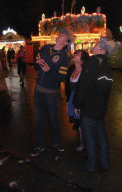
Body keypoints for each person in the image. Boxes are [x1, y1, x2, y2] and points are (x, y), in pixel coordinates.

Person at [73, 37, 122, 172]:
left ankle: (91, 164)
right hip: (101, 109)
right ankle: (105, 163)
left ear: (100, 48)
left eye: (95, 45)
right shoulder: (106, 64)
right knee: (101, 136)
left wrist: (76, 104)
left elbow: (83, 85)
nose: (93, 46)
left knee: (89, 138)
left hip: (89, 108)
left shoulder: (92, 62)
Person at [31, 28, 74, 156]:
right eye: (60, 33)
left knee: (53, 119)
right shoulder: (45, 48)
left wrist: (49, 69)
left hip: (51, 93)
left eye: (63, 35)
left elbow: (62, 78)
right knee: (39, 120)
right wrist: (37, 63)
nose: (59, 35)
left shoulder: (64, 57)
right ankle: (40, 145)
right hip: (38, 90)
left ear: (66, 42)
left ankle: (56, 143)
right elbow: (35, 65)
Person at [65, 50, 90, 152]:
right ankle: (82, 142)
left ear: (82, 59)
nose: (74, 55)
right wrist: (68, 99)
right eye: (74, 54)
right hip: (72, 98)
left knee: (84, 123)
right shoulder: (71, 69)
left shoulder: (86, 70)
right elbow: (67, 85)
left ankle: (85, 144)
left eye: (77, 54)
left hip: (83, 100)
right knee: (78, 123)